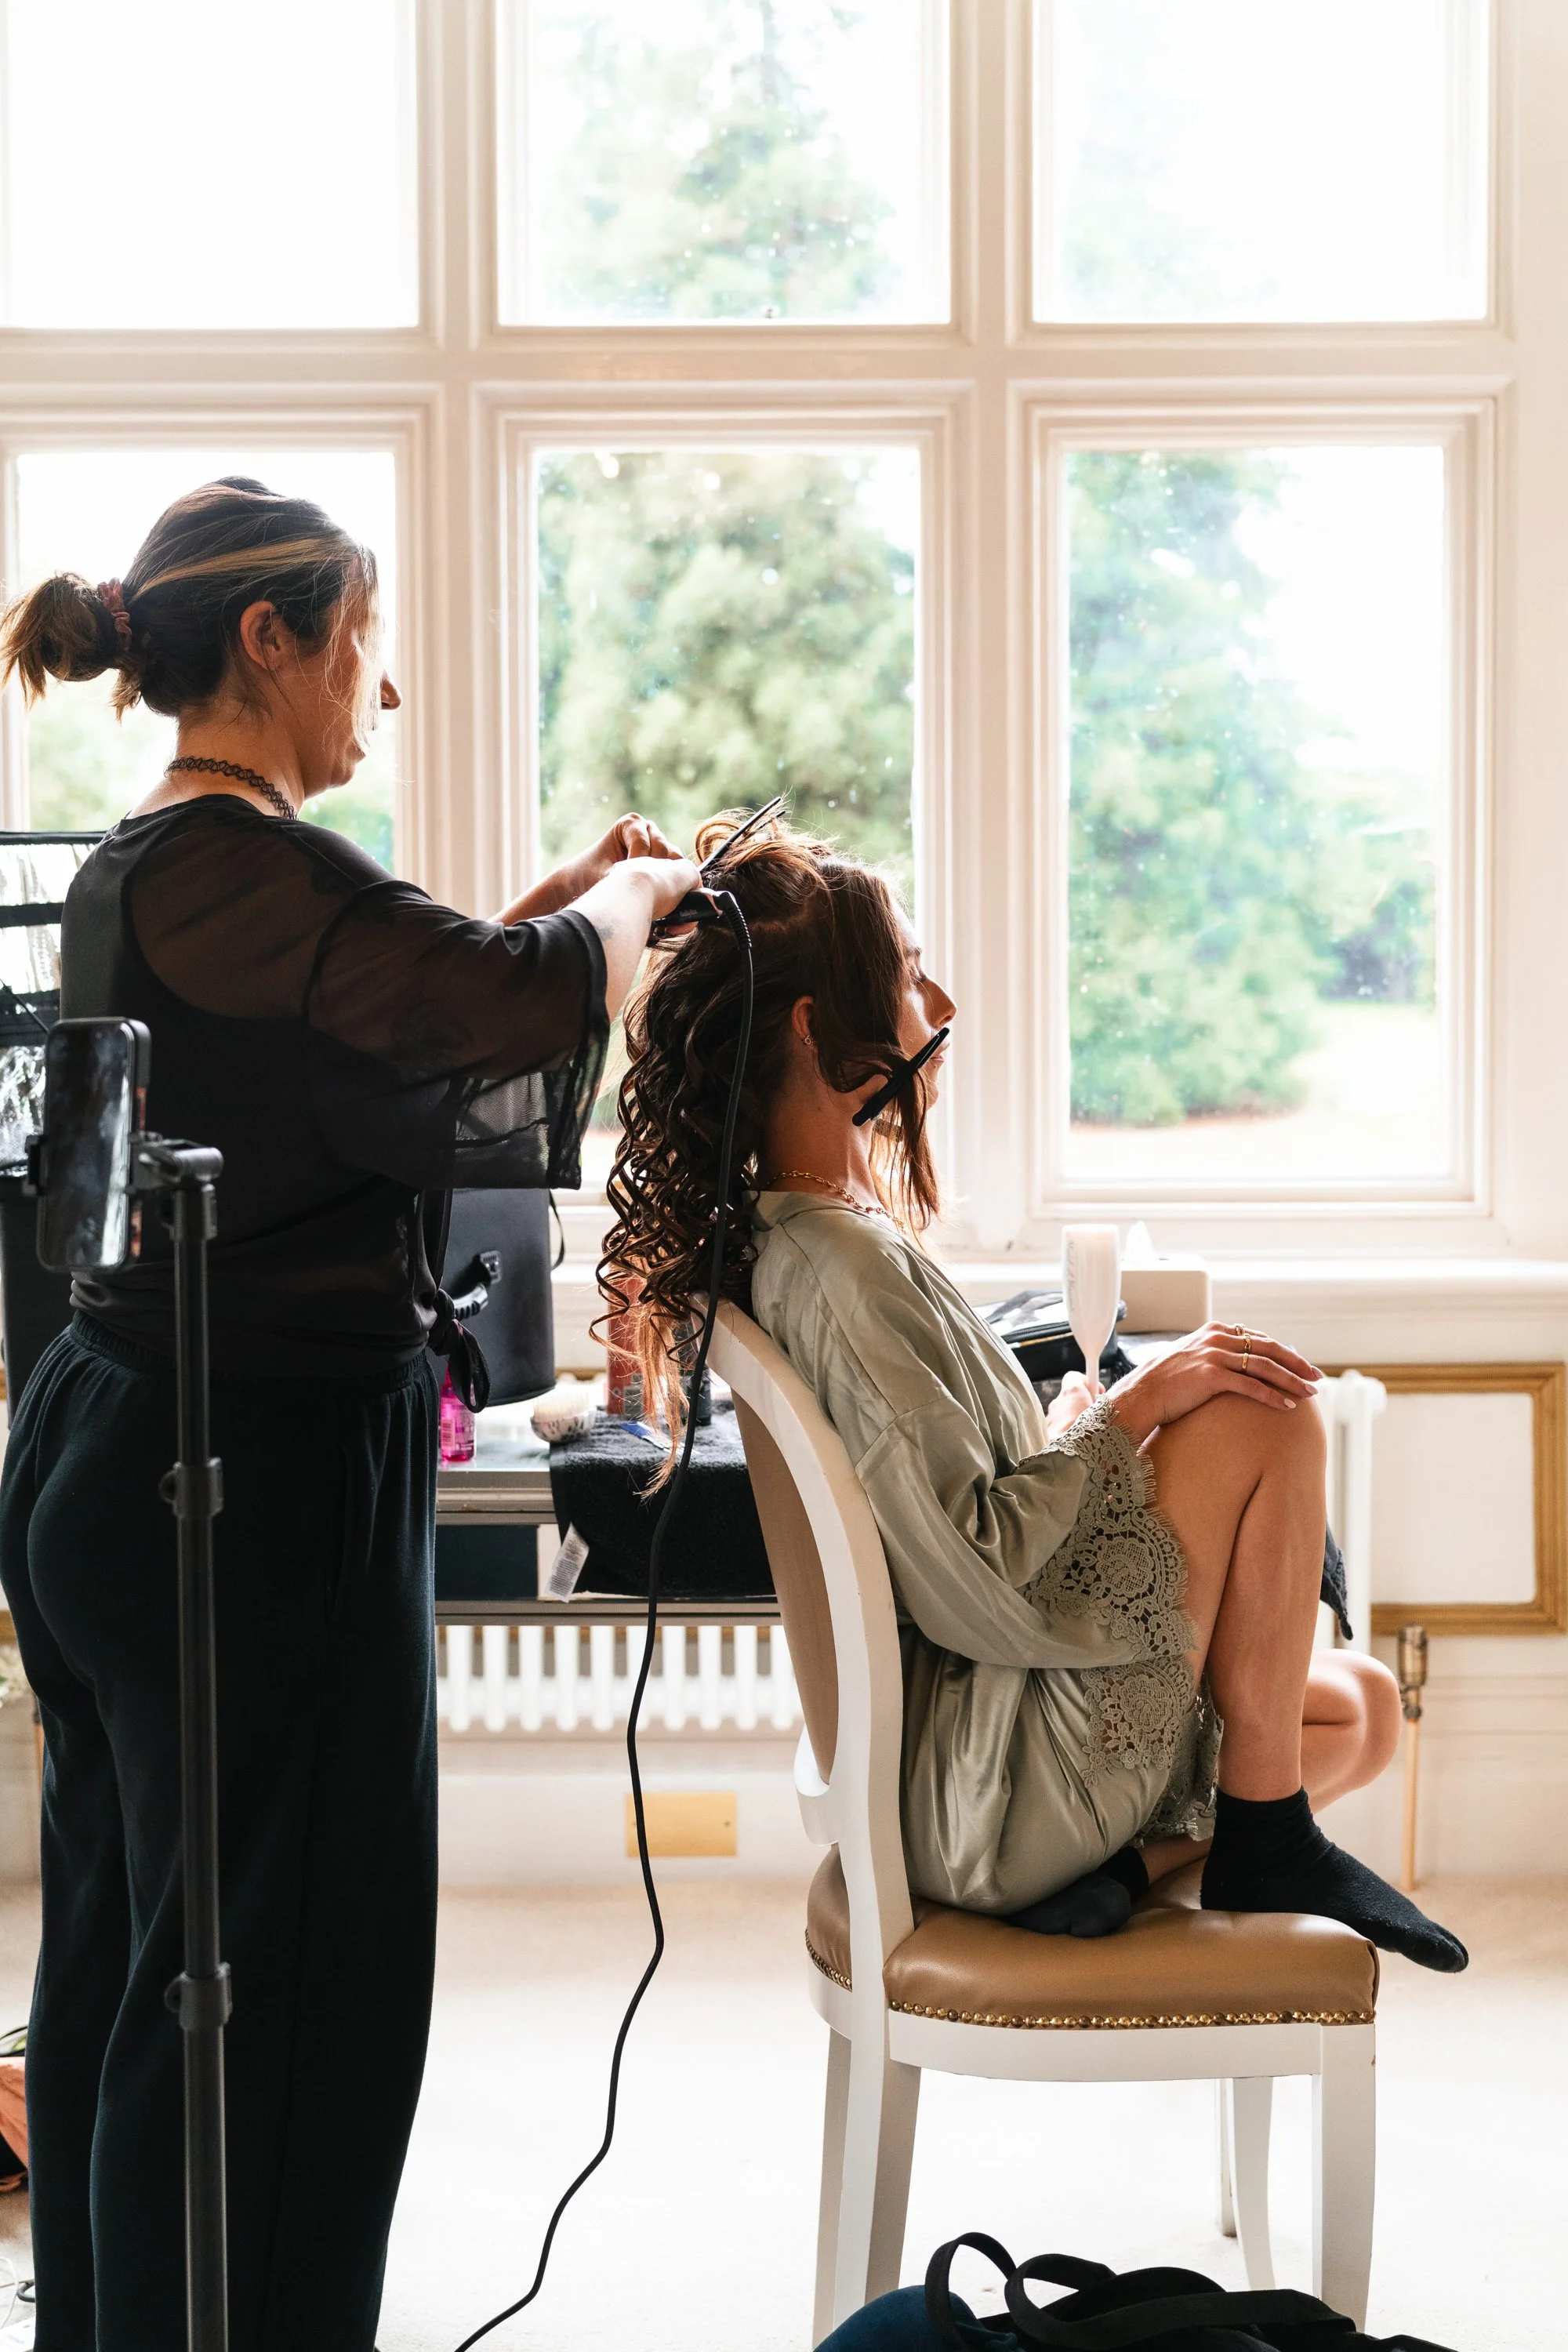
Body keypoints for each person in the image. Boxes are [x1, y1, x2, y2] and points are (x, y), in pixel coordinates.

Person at [0, 476, 699, 2352]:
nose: (377, 703)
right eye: (367, 651)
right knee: (282, 1996)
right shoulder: (239, 870)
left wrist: (552, 925)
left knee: (138, 1971)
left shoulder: (161, 873)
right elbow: (503, 1009)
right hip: (238, 1482)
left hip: (119, 1453)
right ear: (271, 640)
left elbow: (381, 1040)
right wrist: (627, 907)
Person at [601, 816, 1468, 1973]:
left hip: (986, 1745)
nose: (943, 1001)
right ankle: (1251, 1840)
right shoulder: (837, 1273)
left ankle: (1134, 1867)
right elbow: (973, 1577)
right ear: (818, 1030)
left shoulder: (832, 1233)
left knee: (1355, 1709)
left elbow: (956, 1503)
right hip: (982, 1798)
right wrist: (1133, 1412)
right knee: (1270, 1409)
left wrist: (1069, 1427)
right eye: (908, 974)